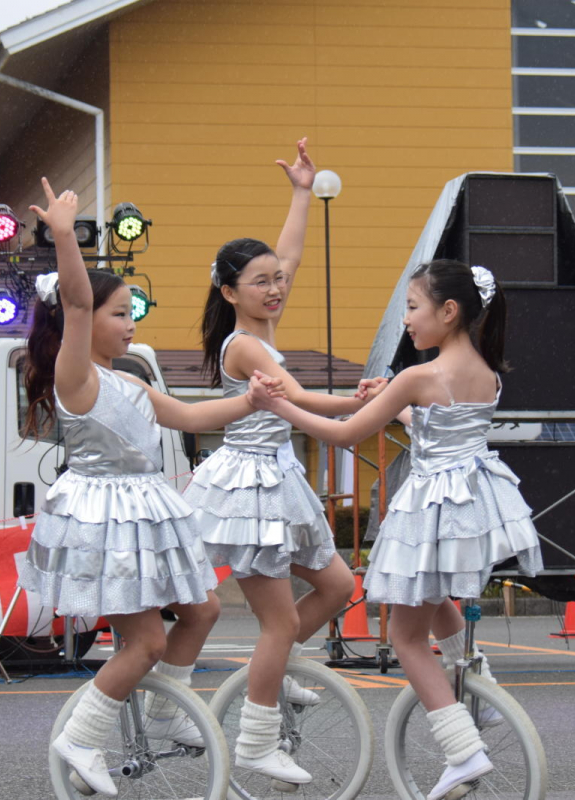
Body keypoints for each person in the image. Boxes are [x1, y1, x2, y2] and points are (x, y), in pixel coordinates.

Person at [247, 259, 543, 800]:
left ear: (448, 311)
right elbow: (442, 424)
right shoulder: (484, 372)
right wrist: (398, 404)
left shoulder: (419, 377)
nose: (406, 319)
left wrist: (279, 405)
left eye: (412, 307)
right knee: (431, 600)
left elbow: (344, 435)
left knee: (403, 634)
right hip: (475, 505)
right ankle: (479, 691)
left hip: (430, 509)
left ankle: (461, 750)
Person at [17, 177, 264, 797]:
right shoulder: (74, 376)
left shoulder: (127, 380)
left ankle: (164, 711)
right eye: (120, 314)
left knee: (204, 608)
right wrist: (65, 235)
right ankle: (83, 736)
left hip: (141, 508)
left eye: (134, 313)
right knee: (149, 637)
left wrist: (253, 401)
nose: (131, 324)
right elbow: (75, 301)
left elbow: (190, 417)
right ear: (86, 320)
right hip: (104, 515)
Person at [182, 138, 385, 787]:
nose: (276, 288)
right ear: (229, 290)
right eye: (261, 281)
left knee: (337, 587)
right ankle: (256, 738)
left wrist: (301, 192)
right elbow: (296, 399)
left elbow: (290, 254)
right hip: (250, 488)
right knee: (275, 619)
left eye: (277, 281)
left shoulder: (261, 321)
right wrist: (359, 399)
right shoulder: (243, 346)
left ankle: (276, 669)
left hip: (276, 481)